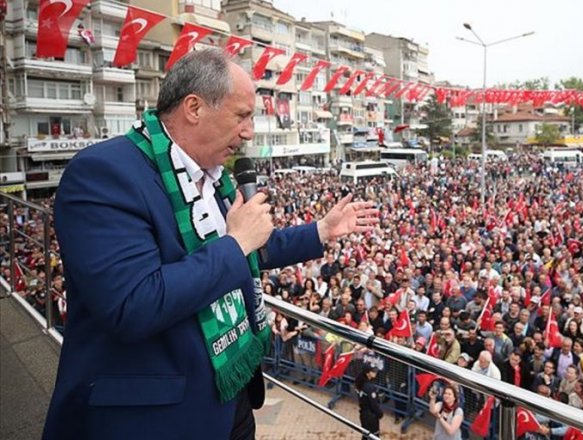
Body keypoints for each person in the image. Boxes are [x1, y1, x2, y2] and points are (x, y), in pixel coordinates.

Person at [42, 48, 378, 439]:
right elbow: (133, 304)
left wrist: (320, 230)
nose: (249, 132)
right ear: (194, 108)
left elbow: (249, 247)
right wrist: (235, 244)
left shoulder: (211, 174)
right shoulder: (103, 174)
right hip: (158, 416)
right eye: (242, 116)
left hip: (230, 390)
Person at [355, 365, 383, 439]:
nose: (375, 372)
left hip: (363, 414)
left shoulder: (360, 382)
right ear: (367, 373)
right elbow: (374, 404)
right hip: (371, 416)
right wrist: (380, 413)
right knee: (374, 436)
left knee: (365, 435)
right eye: (373, 371)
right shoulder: (369, 387)